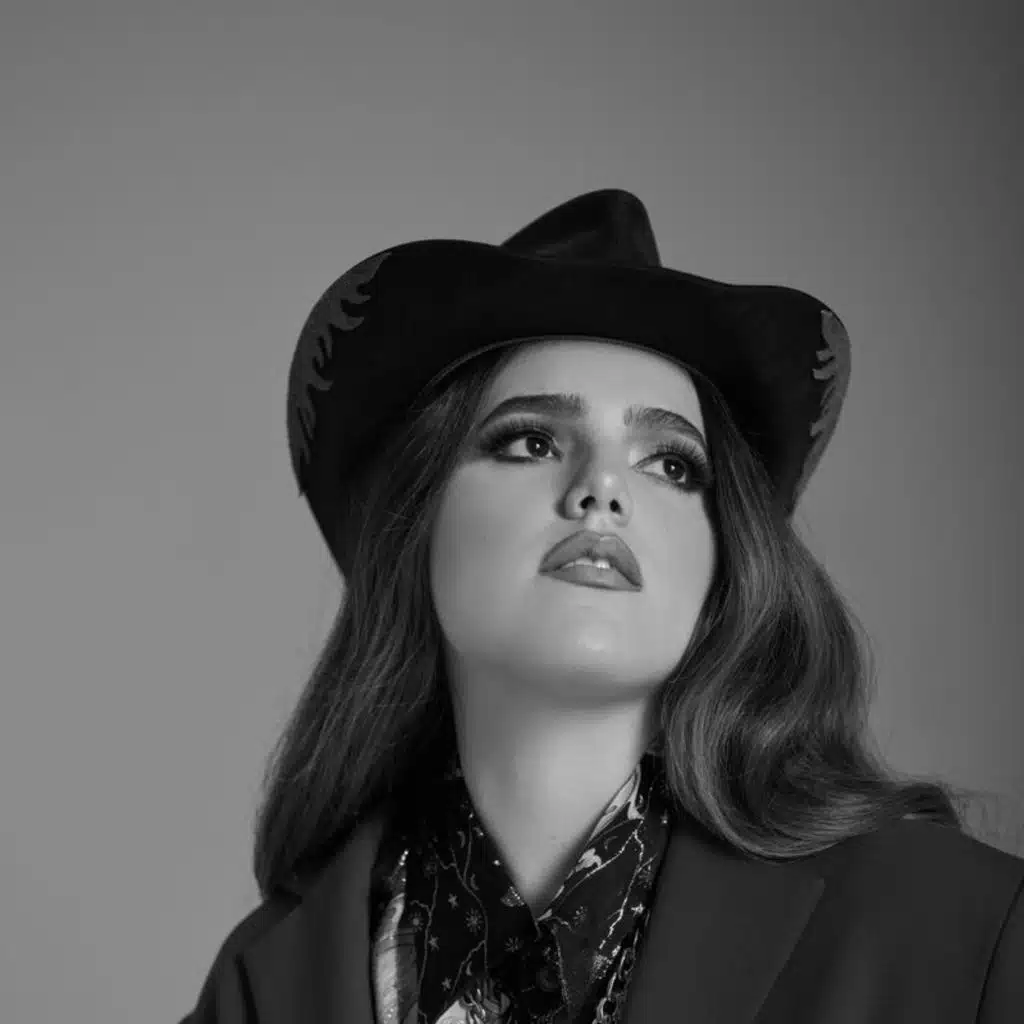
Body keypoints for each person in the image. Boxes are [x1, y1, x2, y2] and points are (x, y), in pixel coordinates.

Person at [180, 190, 1023, 1023]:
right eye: (531, 441)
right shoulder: (261, 987)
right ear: (417, 523)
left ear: (727, 555)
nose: (603, 490)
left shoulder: (964, 933)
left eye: (672, 464)